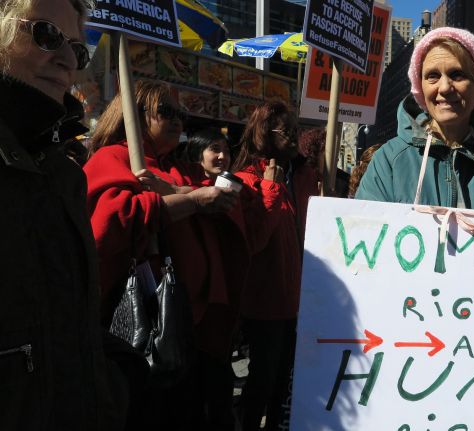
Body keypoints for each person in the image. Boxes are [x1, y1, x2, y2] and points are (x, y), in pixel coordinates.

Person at [85, 80, 250, 429]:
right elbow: (106, 228)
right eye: (166, 111)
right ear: (138, 115)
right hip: (142, 331)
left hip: (187, 330)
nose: (178, 120)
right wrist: (186, 201)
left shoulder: (169, 166)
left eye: (182, 114)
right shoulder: (112, 158)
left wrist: (186, 195)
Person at [0, 0, 129, 428]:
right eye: (47, 35)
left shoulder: (63, 174)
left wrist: (117, 383)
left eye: (78, 47)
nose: (68, 58)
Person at [355, 27, 474, 217]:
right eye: (432, 76)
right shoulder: (389, 161)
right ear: (420, 86)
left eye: (457, 75)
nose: (444, 87)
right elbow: (364, 232)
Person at [232, 100, 318, 431]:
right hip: (265, 302)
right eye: (288, 131)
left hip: (300, 298)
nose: (295, 137)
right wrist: (269, 187)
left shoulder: (304, 174)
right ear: (266, 133)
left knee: (285, 381)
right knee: (262, 381)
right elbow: (253, 240)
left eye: (298, 131)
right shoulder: (246, 180)